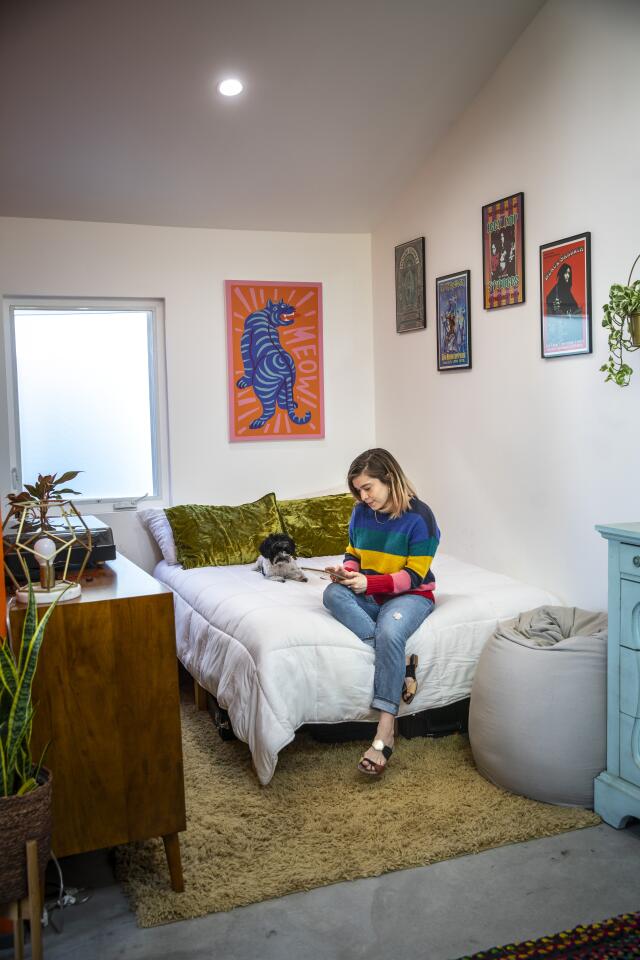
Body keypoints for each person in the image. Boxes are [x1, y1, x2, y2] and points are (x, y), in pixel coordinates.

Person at [323, 448, 440, 776]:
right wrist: (346, 573)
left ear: (389, 479)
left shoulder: (421, 517)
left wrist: (368, 585)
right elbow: (353, 552)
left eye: (368, 488)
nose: (363, 496)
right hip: (371, 593)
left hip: (411, 596)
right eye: (358, 490)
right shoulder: (360, 512)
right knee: (332, 593)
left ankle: (385, 731)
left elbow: (414, 577)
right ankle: (394, 659)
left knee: (391, 631)